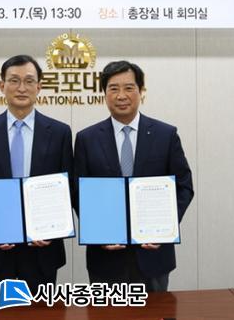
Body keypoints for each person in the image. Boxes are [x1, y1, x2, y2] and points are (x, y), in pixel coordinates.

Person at [74, 60, 194, 292]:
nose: (121, 95)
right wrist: (98, 232)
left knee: (155, 311)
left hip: (153, 255)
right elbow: (78, 191)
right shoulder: (87, 139)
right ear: (104, 93)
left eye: (129, 88)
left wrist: (164, 228)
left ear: (141, 91)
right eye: (113, 88)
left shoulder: (165, 135)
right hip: (105, 257)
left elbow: (184, 186)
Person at [0, 54, 73, 297]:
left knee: (41, 314)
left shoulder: (60, 132)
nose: (22, 88)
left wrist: (52, 229)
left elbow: (67, 186)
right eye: (14, 80)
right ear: (2, 86)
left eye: (29, 81)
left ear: (39, 87)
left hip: (42, 251)